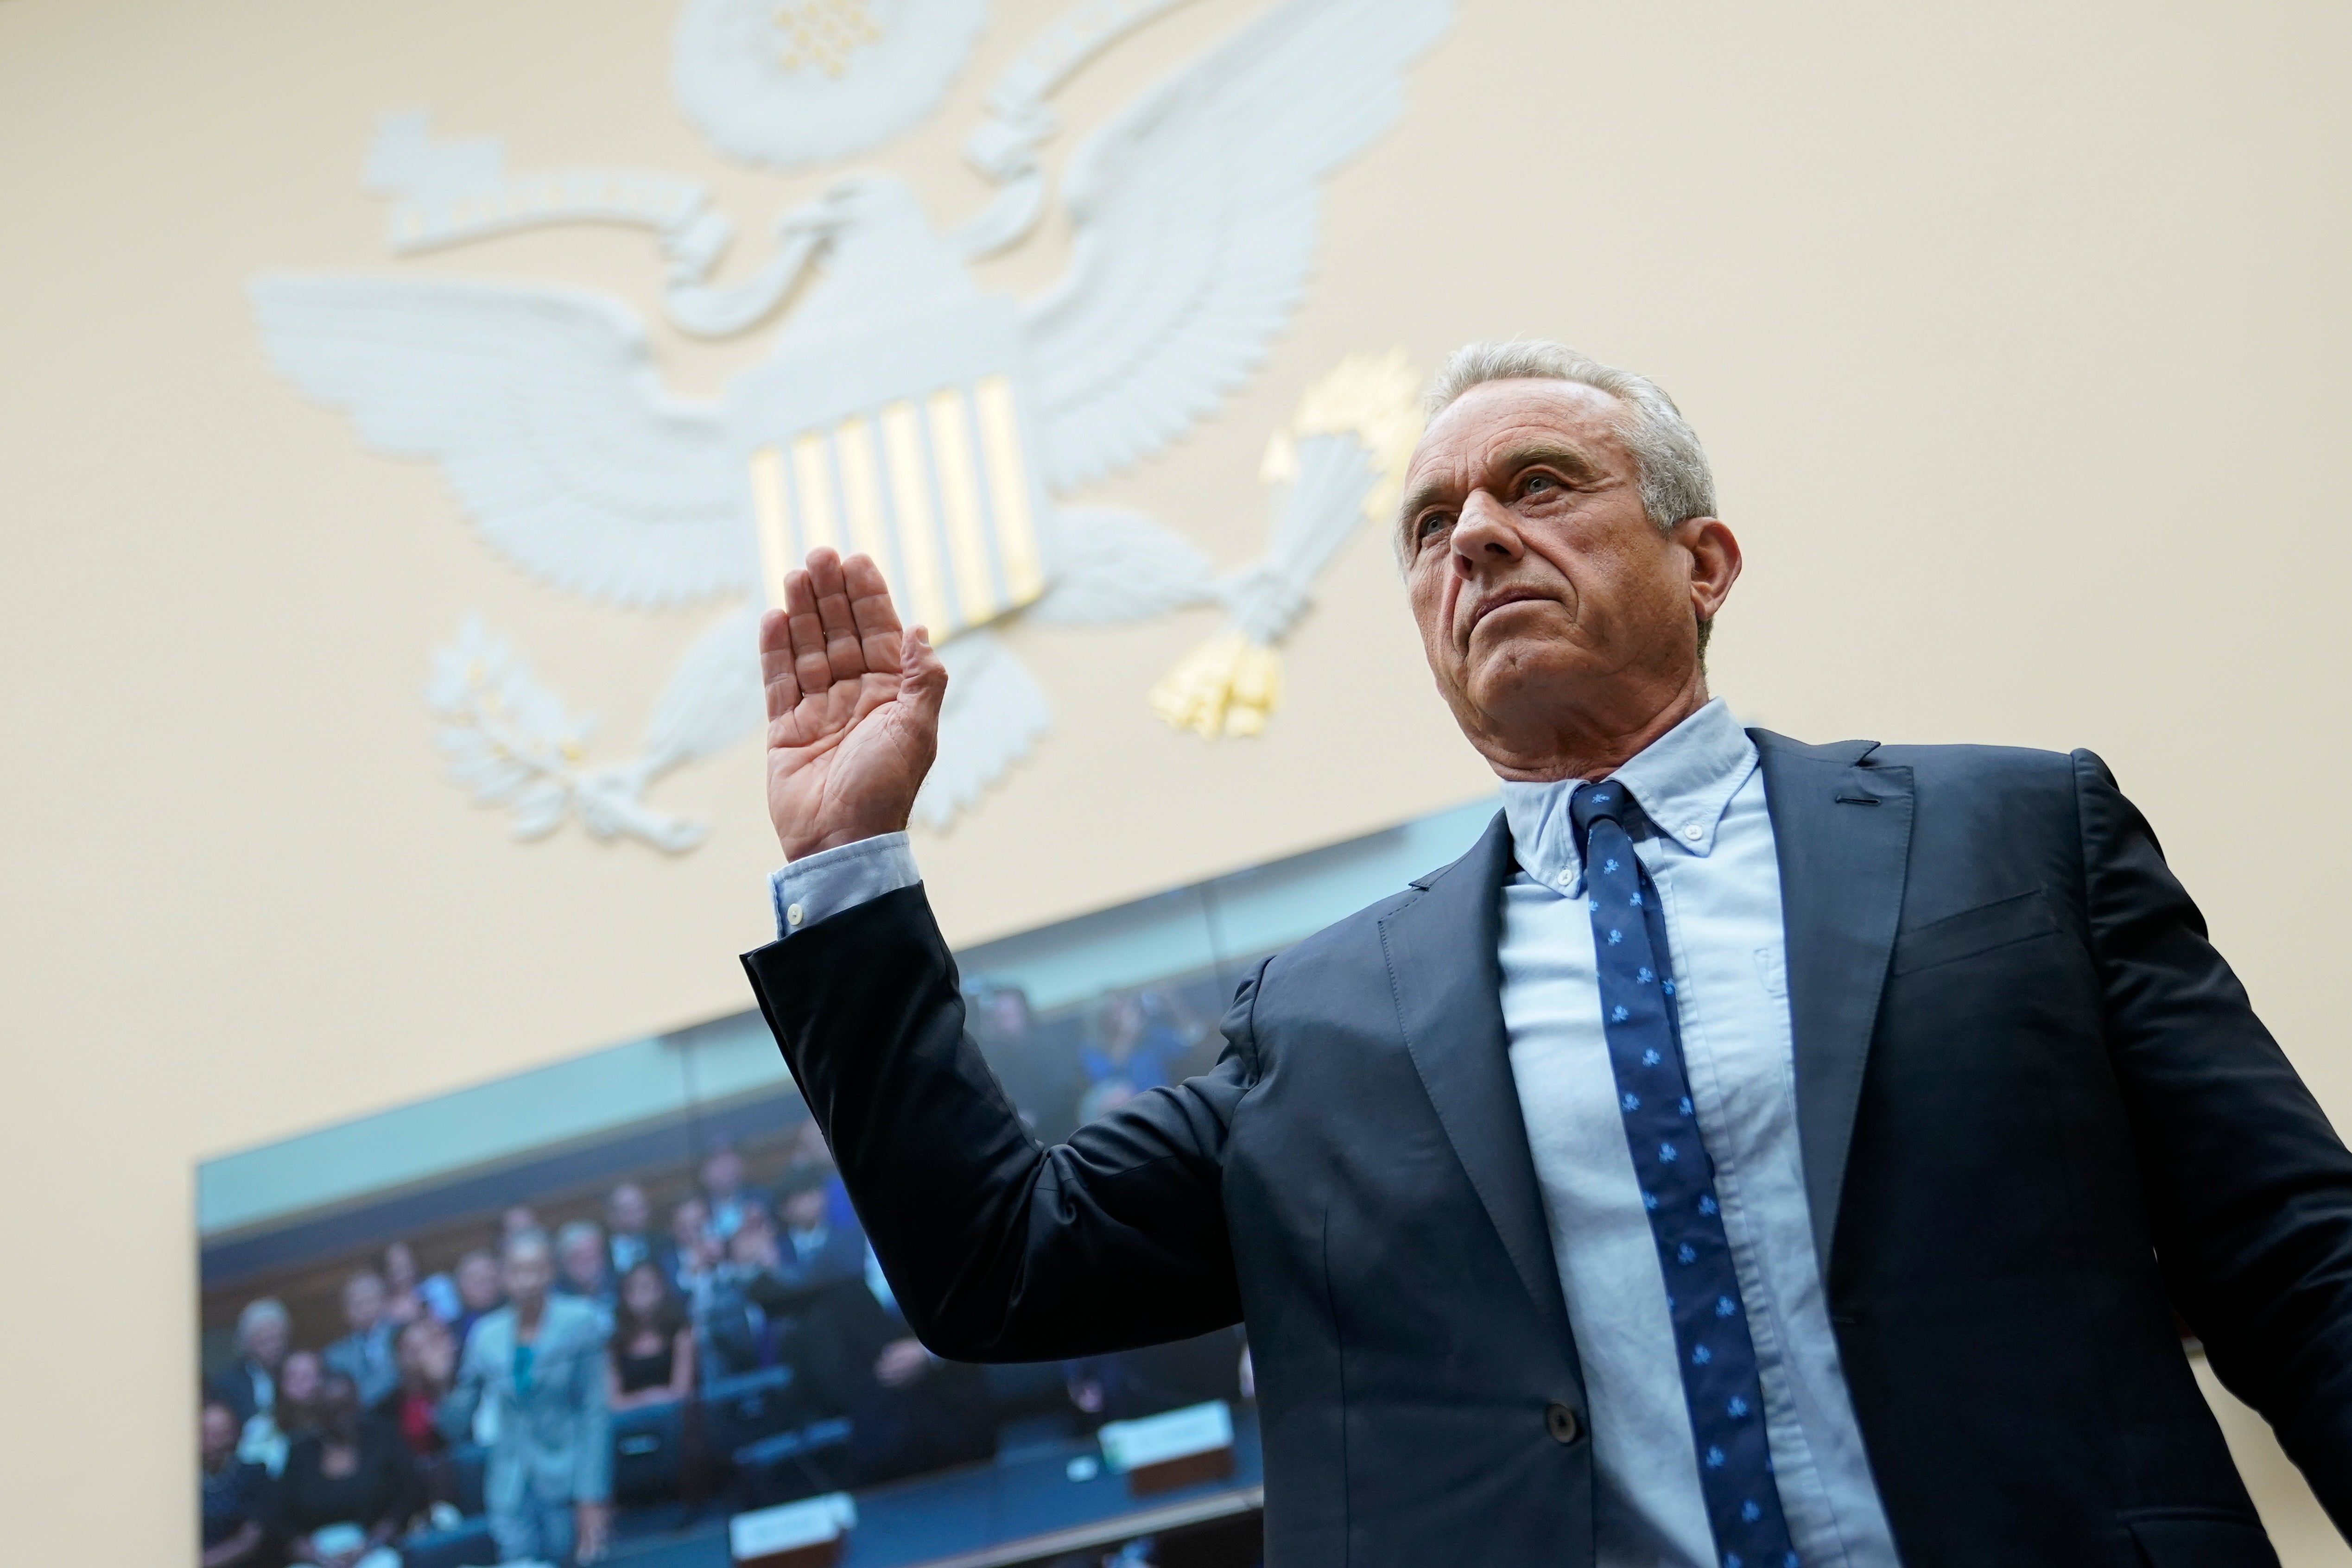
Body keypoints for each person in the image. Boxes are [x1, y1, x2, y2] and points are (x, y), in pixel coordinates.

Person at [741, 341, 2352, 1568]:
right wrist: (846, 861)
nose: (1477, 542)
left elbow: (2292, 1253)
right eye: (1431, 525)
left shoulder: (2011, 837)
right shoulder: (1320, 1018)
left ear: (1702, 562)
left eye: (1538, 488)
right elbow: (996, 1261)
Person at [439, 1228, 611, 1565]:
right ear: (504, 1276)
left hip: (568, 1475)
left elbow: (595, 1413)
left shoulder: (580, 1320)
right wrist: (441, 1380)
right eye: (517, 1271)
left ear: (551, 1271)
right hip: (509, 1482)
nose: (527, 1281)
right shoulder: (486, 1335)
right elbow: (454, 1424)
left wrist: (592, 1497)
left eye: (536, 1269)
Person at [274, 1371, 418, 1568]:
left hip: (374, 1547)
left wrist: (368, 1546)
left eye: (347, 1406)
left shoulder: (383, 1437)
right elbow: (283, 1519)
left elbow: (407, 1496)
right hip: (320, 1555)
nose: (341, 1415)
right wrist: (319, 1558)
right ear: (319, 1412)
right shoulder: (300, 1453)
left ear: (358, 1402)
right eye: (332, 1409)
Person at [606, 1261, 694, 1410]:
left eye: (646, 1287)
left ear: (660, 1290)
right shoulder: (616, 1345)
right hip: (631, 1424)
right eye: (631, 1290)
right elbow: (613, 1402)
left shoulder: (680, 1334)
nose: (639, 1296)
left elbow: (682, 1392)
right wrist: (649, 1398)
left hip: (675, 1419)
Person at [201, 1396, 272, 1568]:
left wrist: (200, 1563)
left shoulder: (253, 1475)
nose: (212, 1442)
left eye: (220, 1434)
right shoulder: (183, 1479)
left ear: (235, 1434)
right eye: (205, 1433)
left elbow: (250, 1539)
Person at [322, 1272, 398, 1413]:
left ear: (384, 1301)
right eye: (356, 1303)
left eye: (369, 1300)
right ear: (346, 1311)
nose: (363, 1309)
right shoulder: (334, 1356)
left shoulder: (404, 1336)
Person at [210, 1298, 291, 1429]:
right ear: (248, 1343)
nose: (274, 1346)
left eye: (278, 1338)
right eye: (266, 1340)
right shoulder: (228, 1383)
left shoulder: (294, 1371)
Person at [391, 1317, 455, 1460]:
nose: (424, 1355)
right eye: (415, 1350)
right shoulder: (389, 1408)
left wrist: (443, 1386)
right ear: (399, 1357)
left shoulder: (461, 1384)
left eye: (430, 1345)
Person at [698, 1143, 765, 1243]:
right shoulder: (700, 1210)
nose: (725, 1171)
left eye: (728, 1163)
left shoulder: (760, 1199)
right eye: (719, 1165)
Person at [553, 1219, 615, 1324]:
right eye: (579, 1257)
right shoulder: (554, 1299)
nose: (591, 1265)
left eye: (595, 1256)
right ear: (563, 1262)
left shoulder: (618, 1287)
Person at [447, 1248, 503, 1354]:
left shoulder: (518, 1316)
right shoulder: (452, 1333)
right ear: (459, 1285)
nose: (485, 1287)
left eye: (490, 1279)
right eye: (477, 1282)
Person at [603, 1183, 659, 1278]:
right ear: (612, 1216)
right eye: (629, 1210)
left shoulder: (662, 1243)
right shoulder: (601, 1253)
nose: (639, 1216)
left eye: (641, 1208)